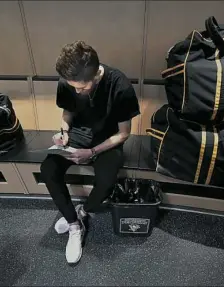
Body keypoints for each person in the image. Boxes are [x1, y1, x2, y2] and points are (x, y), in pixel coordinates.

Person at [40, 40, 140, 264]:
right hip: (77, 135)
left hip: (107, 139)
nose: (77, 91)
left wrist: (92, 152)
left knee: (106, 181)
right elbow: (67, 112)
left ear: (96, 75)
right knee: (48, 170)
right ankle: (74, 225)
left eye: (82, 88)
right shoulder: (69, 82)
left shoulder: (120, 86)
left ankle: (84, 211)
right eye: (72, 86)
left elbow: (124, 134)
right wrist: (63, 131)